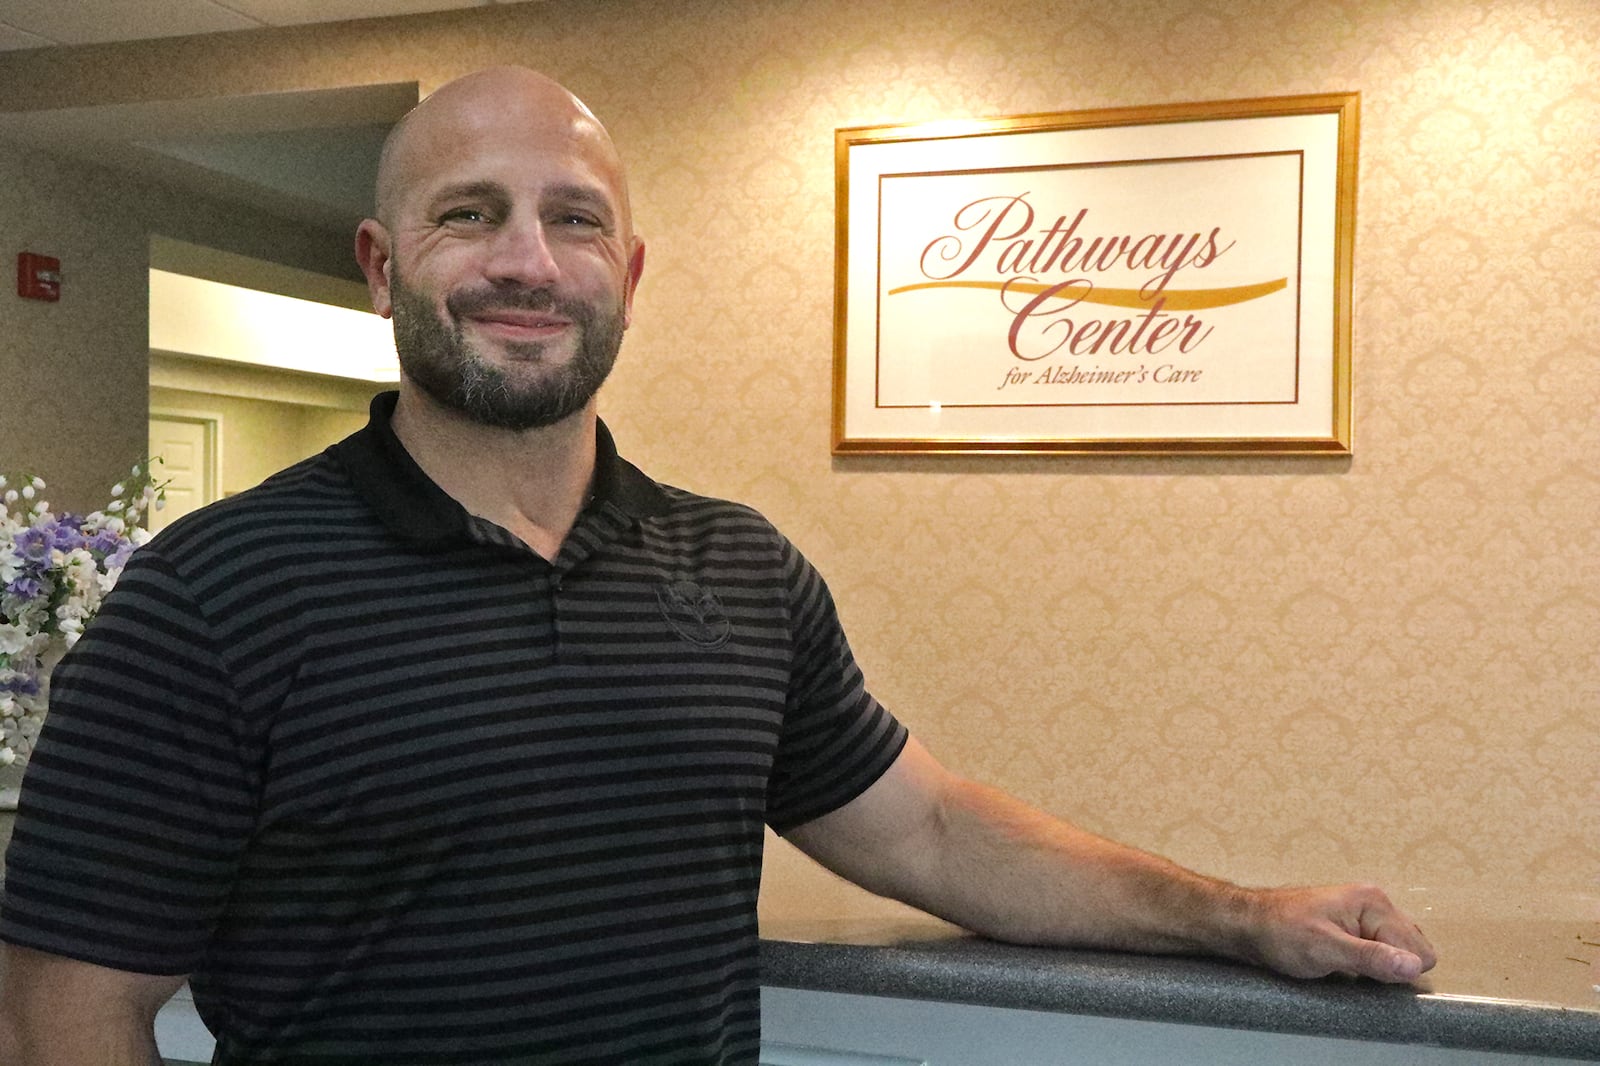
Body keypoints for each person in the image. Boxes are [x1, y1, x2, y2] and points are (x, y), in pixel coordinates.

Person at [0, 67, 1435, 1065]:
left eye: (573, 218)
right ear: (383, 265)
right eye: (468, 213)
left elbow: (933, 831)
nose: (526, 259)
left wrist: (1242, 914)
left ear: (627, 276)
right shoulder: (213, 595)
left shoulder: (739, 572)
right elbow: (65, 1006)